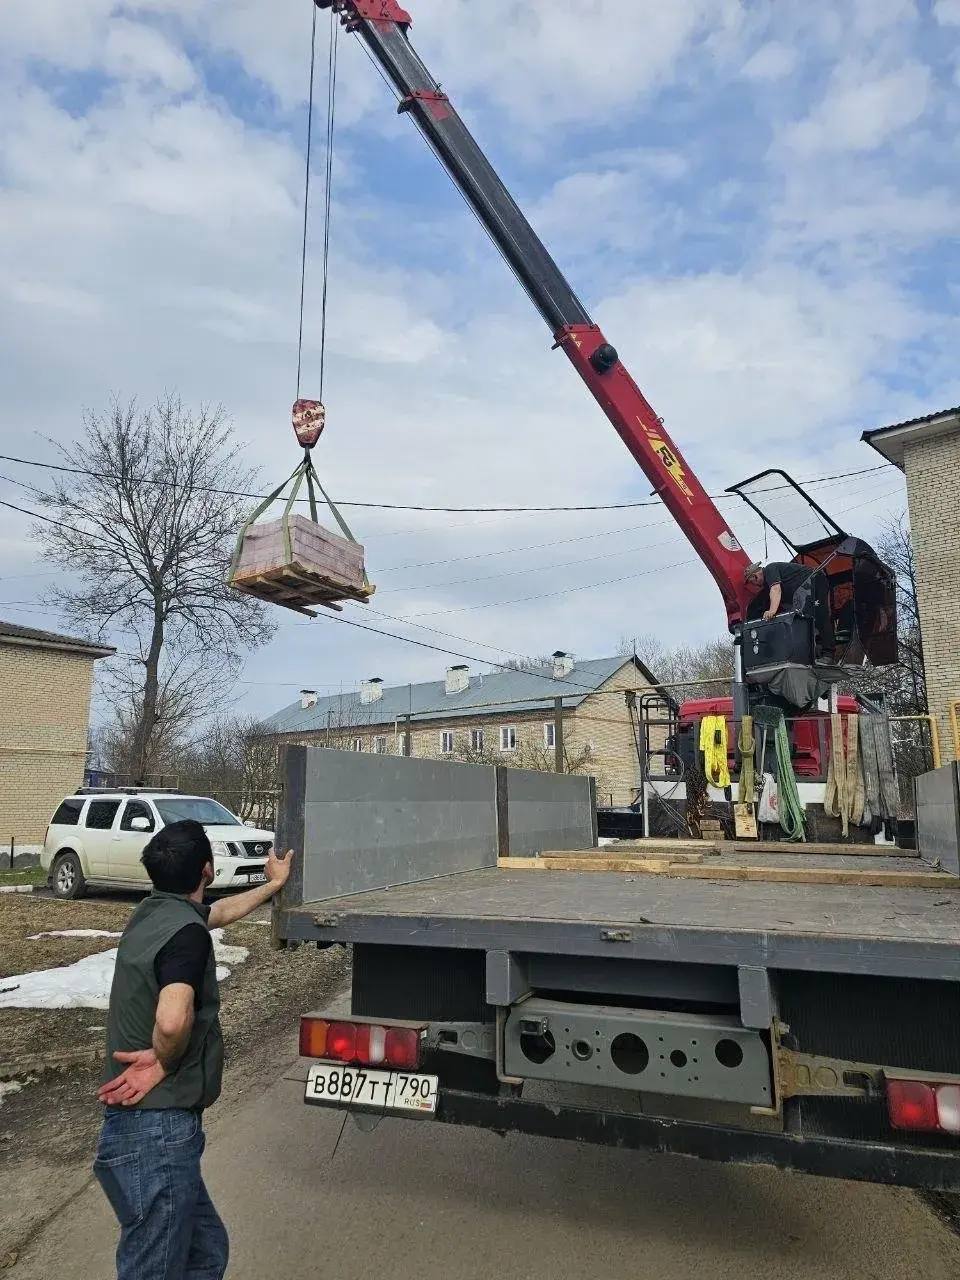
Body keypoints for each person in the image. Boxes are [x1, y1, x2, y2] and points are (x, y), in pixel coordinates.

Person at [93, 818, 293, 1280]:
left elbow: (217, 914)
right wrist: (163, 1062)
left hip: (142, 1128)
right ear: (207, 870)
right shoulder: (186, 935)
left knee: (204, 1253)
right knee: (156, 1268)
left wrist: (273, 884)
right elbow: (172, 1018)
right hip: (156, 1131)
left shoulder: (153, 913)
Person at [743, 560, 813, 621]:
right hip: (805, 592)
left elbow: (776, 589)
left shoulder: (770, 569)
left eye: (752, 582)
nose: (754, 585)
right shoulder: (767, 586)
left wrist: (772, 611)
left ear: (756, 576)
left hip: (813, 581)